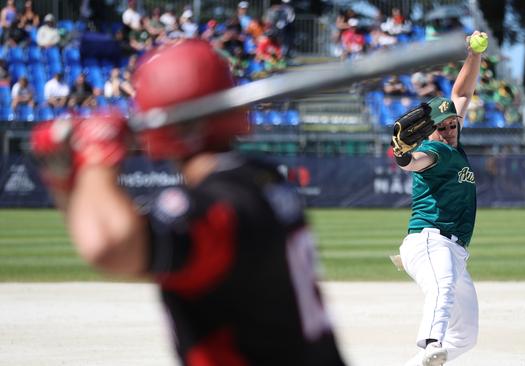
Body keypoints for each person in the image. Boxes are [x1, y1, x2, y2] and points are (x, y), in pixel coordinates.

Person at [31, 39, 347, 366]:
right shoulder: (261, 179)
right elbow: (138, 253)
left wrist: (97, 155)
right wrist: (65, 180)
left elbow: (111, 247)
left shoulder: (218, 206)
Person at [392, 31, 486, 366]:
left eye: (451, 125)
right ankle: (431, 341)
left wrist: (473, 54)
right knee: (442, 287)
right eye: (441, 127)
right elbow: (414, 163)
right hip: (430, 241)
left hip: (454, 250)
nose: (447, 130)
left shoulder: (452, 141)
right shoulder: (434, 149)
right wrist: (403, 155)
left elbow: (461, 92)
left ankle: (420, 362)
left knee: (466, 335)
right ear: (428, 131)